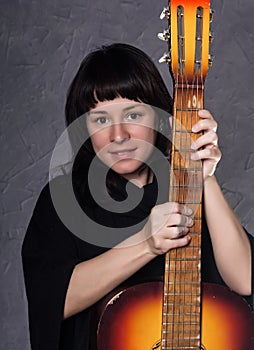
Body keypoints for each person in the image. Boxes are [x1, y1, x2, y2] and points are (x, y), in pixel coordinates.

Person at [22, 43, 254, 350]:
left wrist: (201, 175)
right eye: (101, 120)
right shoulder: (64, 199)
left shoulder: (184, 187)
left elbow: (245, 280)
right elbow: (52, 299)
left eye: (133, 114)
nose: (118, 135)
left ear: (160, 118)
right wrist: (146, 243)